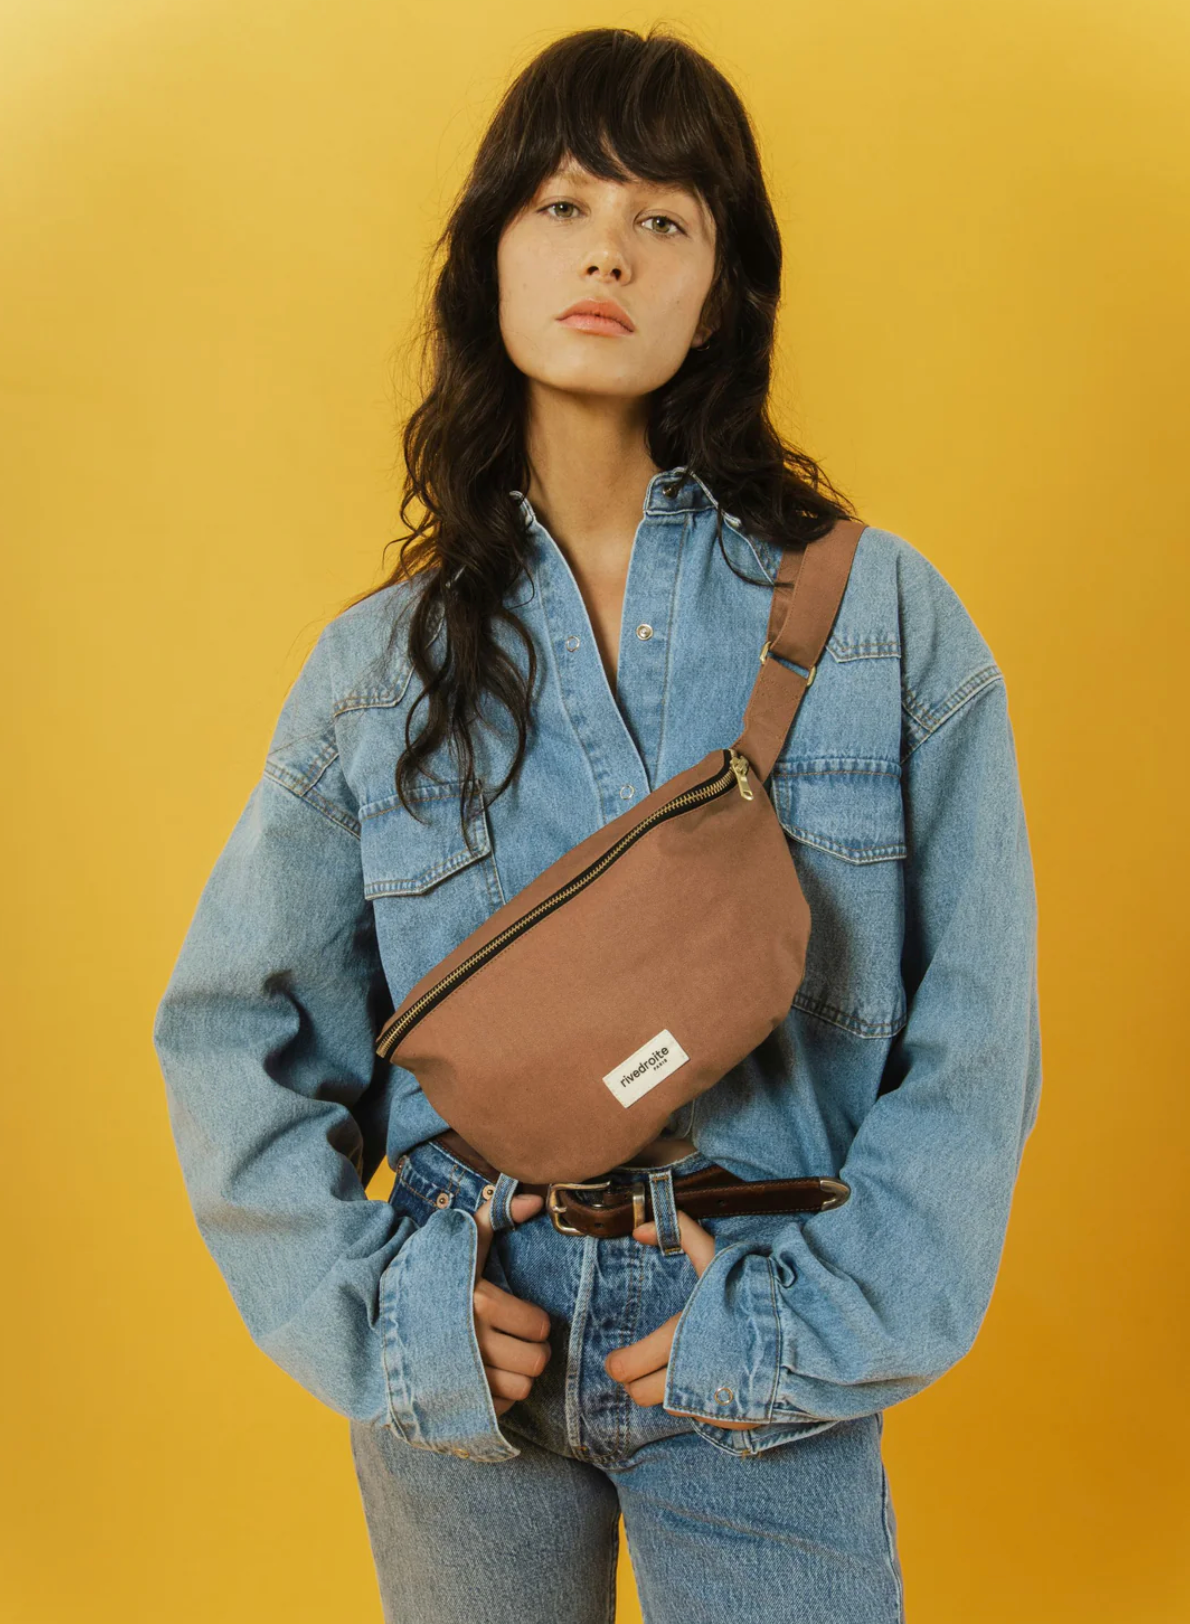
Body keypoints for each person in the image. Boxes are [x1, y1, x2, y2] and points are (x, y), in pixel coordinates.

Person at [152, 25, 1042, 1624]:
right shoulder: (374, 671)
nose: (608, 253)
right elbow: (233, 1034)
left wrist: (811, 1327)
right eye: (563, 206)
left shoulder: (879, 618)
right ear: (488, 257)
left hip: (762, 1339)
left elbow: (977, 1038)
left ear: (722, 287)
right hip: (465, 1340)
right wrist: (384, 1317)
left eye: (664, 218)